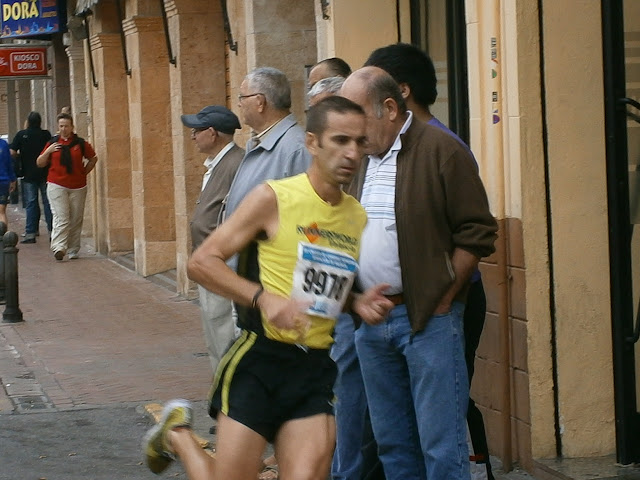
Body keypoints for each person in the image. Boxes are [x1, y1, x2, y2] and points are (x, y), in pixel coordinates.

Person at [143, 96, 394, 480]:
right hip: (259, 361)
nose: (352, 153)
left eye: (360, 142)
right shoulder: (273, 198)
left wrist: (356, 301)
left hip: (313, 368)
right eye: (340, 140)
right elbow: (201, 262)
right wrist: (263, 299)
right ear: (312, 143)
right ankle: (178, 435)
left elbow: (321, 287)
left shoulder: (354, 215)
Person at [340, 67, 497, 480]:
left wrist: (445, 295)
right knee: (394, 445)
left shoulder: (441, 149)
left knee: (440, 446)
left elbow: (478, 231)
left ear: (389, 108)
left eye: (357, 115)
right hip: (373, 323)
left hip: (427, 320)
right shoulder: (357, 159)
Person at [180, 105, 245, 375]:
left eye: (196, 131)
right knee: (215, 337)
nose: (192, 137)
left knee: (225, 336)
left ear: (212, 132)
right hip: (211, 265)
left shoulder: (236, 163)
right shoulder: (218, 163)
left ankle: (231, 403)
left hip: (223, 266)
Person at [36, 113, 98, 261]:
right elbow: (39, 163)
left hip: (78, 186)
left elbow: (93, 158)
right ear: (58, 127)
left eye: (66, 126)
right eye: (61, 126)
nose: (64, 129)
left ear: (72, 127)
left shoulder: (80, 143)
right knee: (61, 217)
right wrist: (48, 151)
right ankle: (59, 247)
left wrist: (84, 172)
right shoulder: (52, 143)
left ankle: (73, 249)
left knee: (76, 218)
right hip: (56, 184)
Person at [10, 111, 53, 243]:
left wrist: (20, 158)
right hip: (45, 173)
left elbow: (12, 151)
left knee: (31, 203)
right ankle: (52, 231)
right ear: (40, 122)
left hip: (28, 174)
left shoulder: (21, 135)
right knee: (48, 203)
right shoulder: (46, 134)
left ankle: (31, 232)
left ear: (28, 122)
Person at [0, 137, 16, 227]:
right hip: (3, 181)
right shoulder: (4, 144)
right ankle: (3, 236)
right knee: (1, 212)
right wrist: (13, 180)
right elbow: (9, 163)